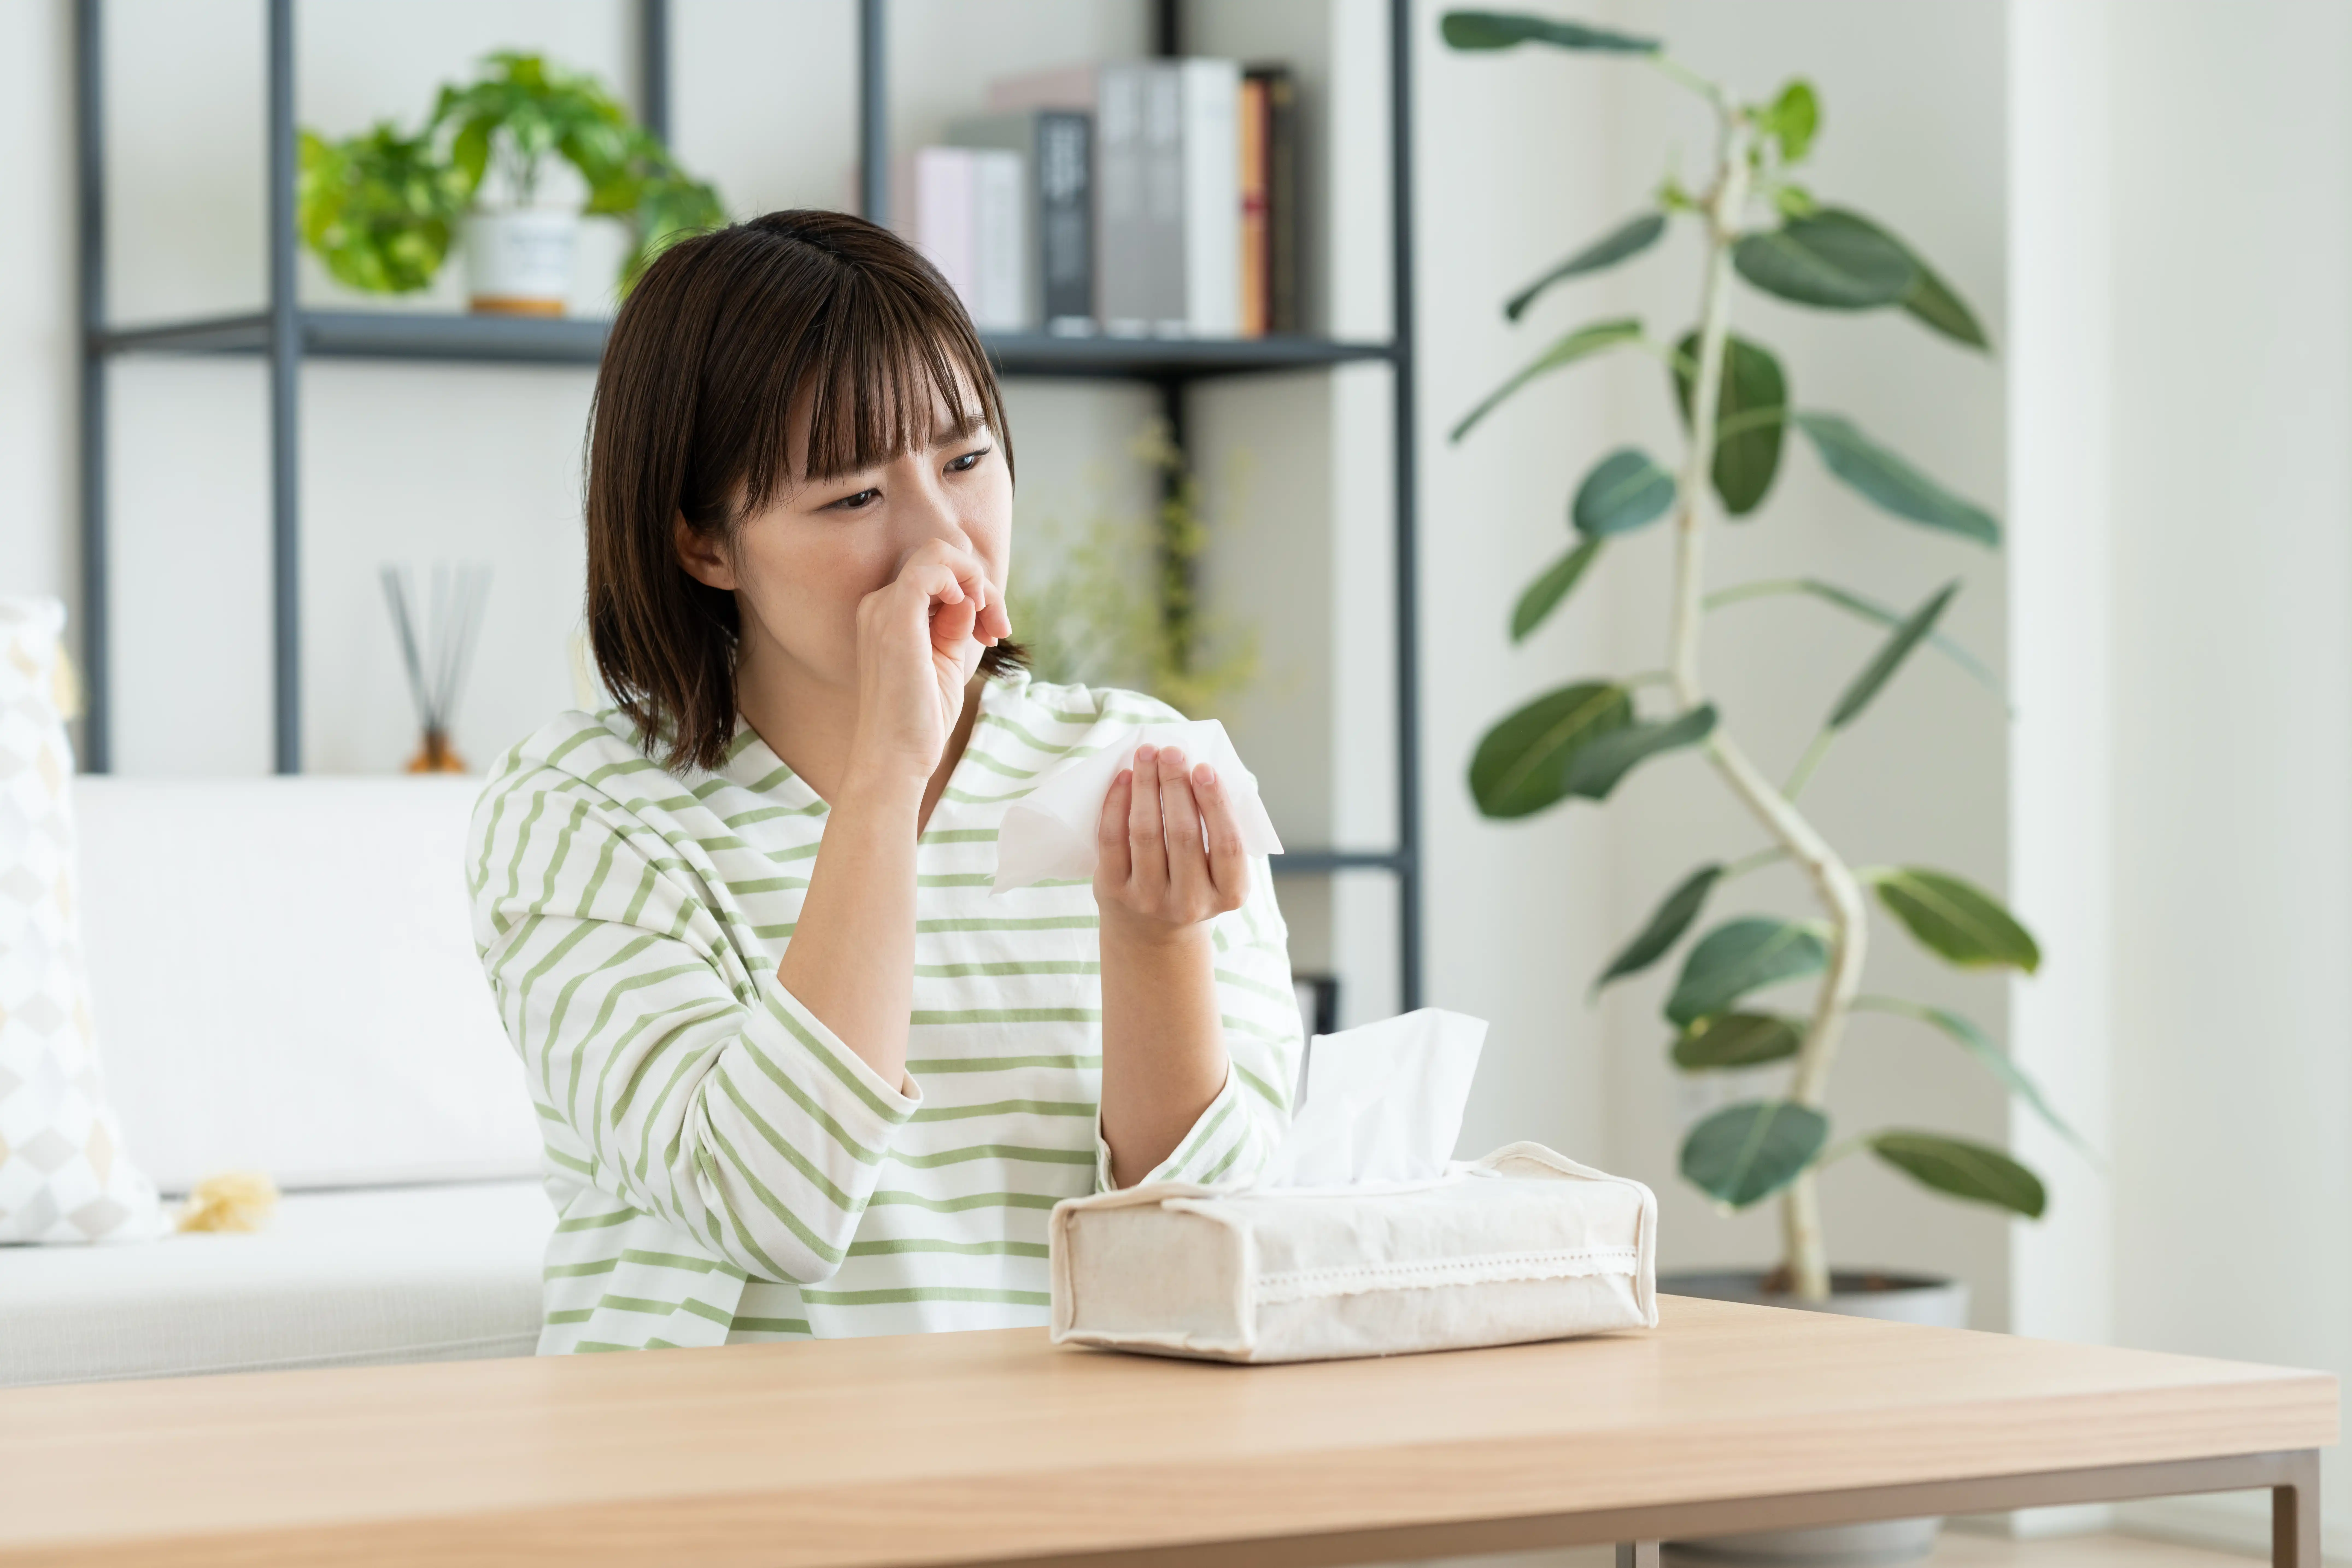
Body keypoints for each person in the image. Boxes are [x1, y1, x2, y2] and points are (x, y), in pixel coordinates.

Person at [467, 210, 1303, 1354]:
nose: (941, 542)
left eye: (966, 462)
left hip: (1077, 1450)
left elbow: (1219, 1250)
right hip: (719, 1456)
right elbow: (768, 1207)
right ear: (705, 545)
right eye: (853, 497)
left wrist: (1154, 945)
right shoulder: (582, 810)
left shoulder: (1138, 765)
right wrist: (885, 778)